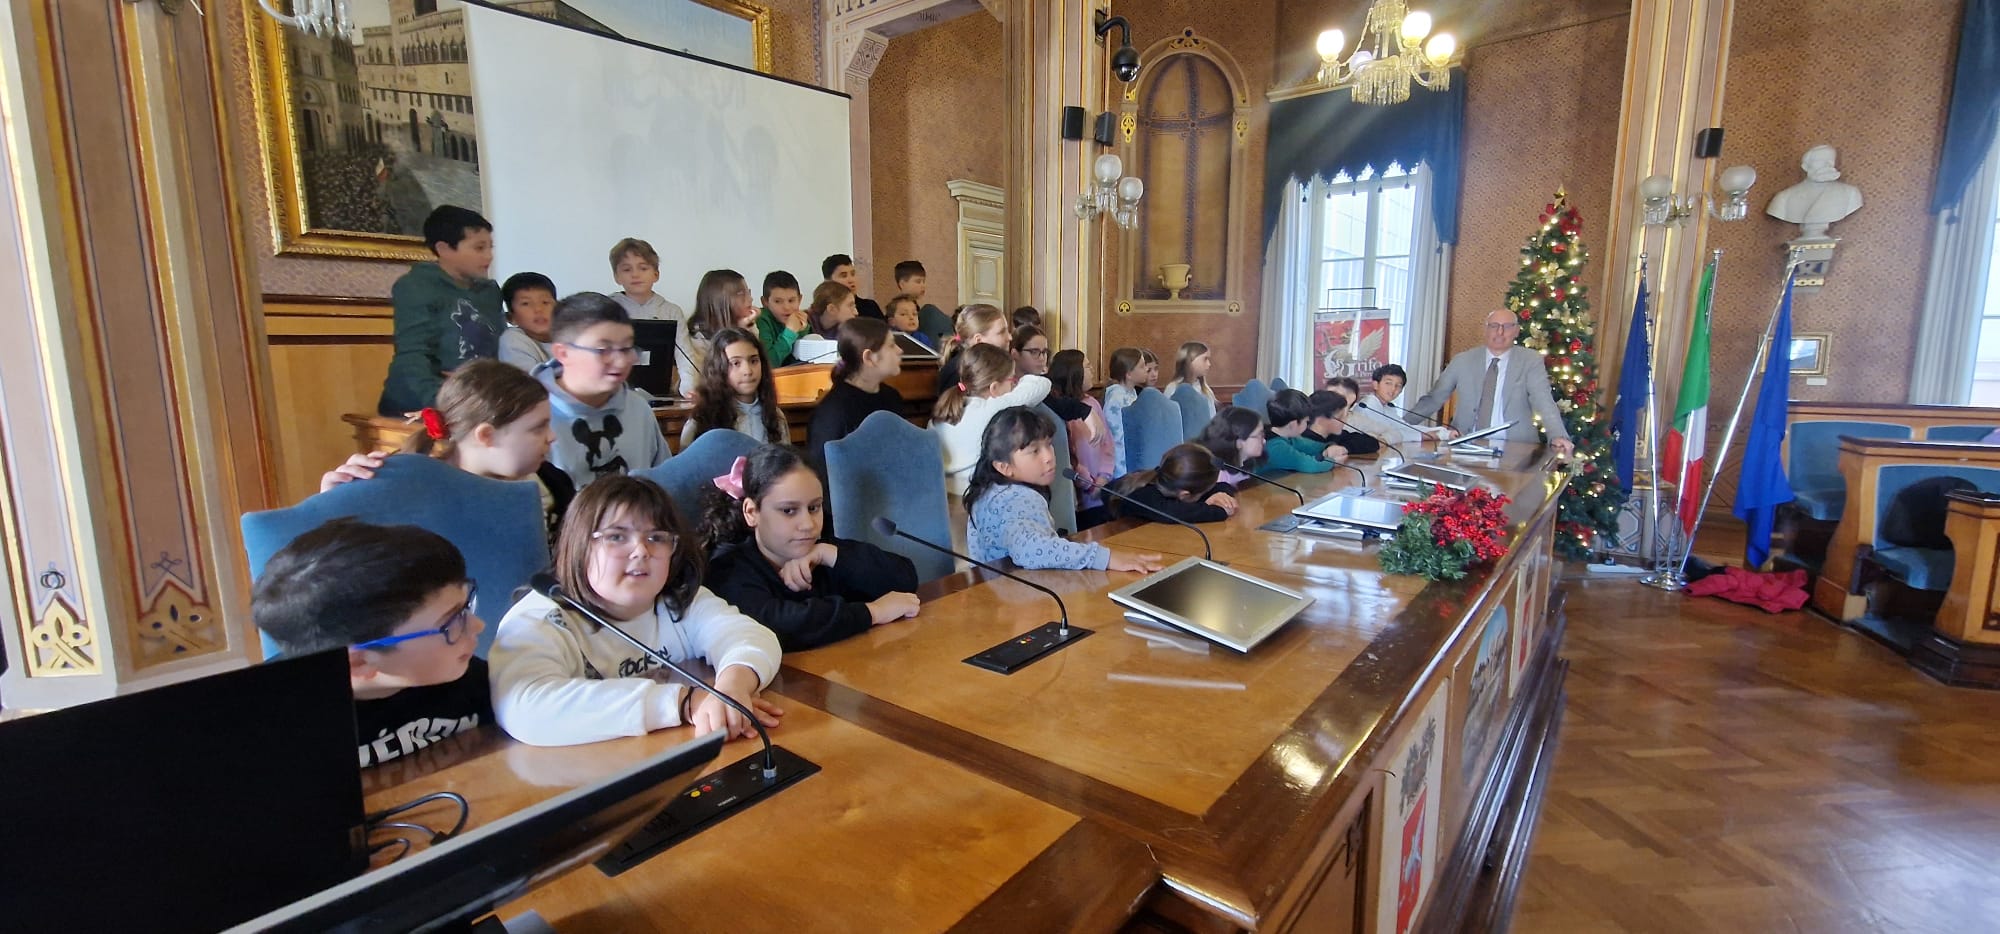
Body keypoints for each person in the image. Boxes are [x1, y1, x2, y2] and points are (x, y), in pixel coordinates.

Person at [489, 476, 784, 747]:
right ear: (578, 545)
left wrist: (733, 688)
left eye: (656, 538)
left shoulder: (678, 600)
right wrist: (684, 702)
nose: (641, 551)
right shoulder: (538, 618)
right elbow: (526, 706)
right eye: (617, 537)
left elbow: (752, 636)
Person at [251, 518, 490, 769]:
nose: (478, 625)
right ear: (359, 661)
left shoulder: (469, 679)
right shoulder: (274, 730)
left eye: (466, 606)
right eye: (452, 621)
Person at [324, 360, 569, 547]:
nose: (552, 437)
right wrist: (332, 508)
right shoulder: (411, 493)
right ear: (486, 435)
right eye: (538, 428)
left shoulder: (554, 484)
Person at [700, 446, 921, 651]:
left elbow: (904, 579)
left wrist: (828, 554)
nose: (808, 524)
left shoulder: (820, 550)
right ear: (751, 512)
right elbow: (777, 626)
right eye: (788, 511)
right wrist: (873, 612)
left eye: (814, 507)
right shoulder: (728, 569)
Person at [964, 407, 1162, 572]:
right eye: (1034, 451)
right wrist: (1105, 558)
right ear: (1004, 467)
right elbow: (1031, 550)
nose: (1049, 457)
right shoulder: (1017, 498)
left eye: (1048, 445)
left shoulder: (987, 491)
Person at [378, 205, 503, 416]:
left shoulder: (490, 291)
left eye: (491, 247)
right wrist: (442, 402)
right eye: (479, 248)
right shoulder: (416, 286)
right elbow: (413, 354)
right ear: (444, 249)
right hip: (422, 403)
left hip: (475, 399)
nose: (489, 256)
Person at [540, 292, 672, 488]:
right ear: (563, 353)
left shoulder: (638, 408)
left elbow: (664, 483)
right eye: (603, 350)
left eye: (627, 348)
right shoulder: (532, 417)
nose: (621, 361)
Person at [1409, 310, 1575, 457]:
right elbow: (1434, 399)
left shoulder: (1530, 361)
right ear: (1486, 330)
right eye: (1494, 326)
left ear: (1516, 331)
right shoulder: (1463, 360)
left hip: (1516, 448)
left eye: (1507, 326)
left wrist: (1558, 435)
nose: (1500, 332)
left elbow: (1543, 400)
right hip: (1465, 445)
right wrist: (1399, 426)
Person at [931, 344, 1052, 496]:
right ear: (994, 388)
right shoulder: (992, 408)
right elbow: (1041, 384)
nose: (1015, 385)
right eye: (1013, 380)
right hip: (976, 499)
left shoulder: (942, 414)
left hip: (944, 499)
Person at [804, 318, 905, 467]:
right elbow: (823, 473)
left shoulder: (892, 397)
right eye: (891, 345)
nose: (900, 350)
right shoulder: (833, 412)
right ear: (869, 357)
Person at [608, 238, 697, 397]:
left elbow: (686, 358)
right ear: (617, 276)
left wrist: (689, 389)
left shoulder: (671, 311)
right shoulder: (607, 309)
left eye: (643, 268)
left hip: (661, 393)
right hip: (616, 392)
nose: (635, 274)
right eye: (627, 269)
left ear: (656, 274)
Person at [683, 327, 785, 447]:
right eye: (736, 363)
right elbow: (686, 464)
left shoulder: (775, 415)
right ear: (719, 368)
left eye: (754, 361)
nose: (747, 371)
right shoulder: (701, 418)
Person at [1047, 350, 1114, 529]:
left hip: (1099, 492)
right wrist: (1083, 479)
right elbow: (1065, 451)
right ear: (1073, 372)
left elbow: (1107, 445)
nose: (1092, 369)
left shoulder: (1092, 403)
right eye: (1087, 366)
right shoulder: (1060, 408)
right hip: (1076, 496)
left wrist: (1104, 476)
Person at [1109, 443, 1239, 523]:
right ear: (1184, 494)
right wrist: (1220, 511)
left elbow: (1223, 486)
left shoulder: (1170, 481)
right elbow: (1171, 513)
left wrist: (1222, 496)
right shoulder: (1144, 494)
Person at [687, 269, 760, 391]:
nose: (750, 299)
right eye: (742, 294)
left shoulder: (748, 325)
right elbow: (708, 376)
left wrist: (745, 330)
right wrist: (737, 332)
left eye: (749, 292)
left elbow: (757, 361)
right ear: (721, 301)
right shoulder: (699, 338)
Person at [936, 304, 1011, 395]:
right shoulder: (958, 372)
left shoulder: (984, 365)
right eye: (1002, 332)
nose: (1010, 337)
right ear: (979, 340)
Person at [1262, 389, 1338, 474]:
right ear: (1293, 424)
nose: (1308, 424)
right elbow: (1311, 465)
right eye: (1306, 421)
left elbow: (1312, 447)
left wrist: (1329, 447)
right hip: (1258, 486)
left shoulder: (1289, 437)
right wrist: (1333, 461)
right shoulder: (1276, 447)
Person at [497, 272, 557, 373]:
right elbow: (529, 383)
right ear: (511, 318)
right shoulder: (512, 340)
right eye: (526, 304)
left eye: (545, 302)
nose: (538, 309)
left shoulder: (571, 334)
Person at [1103, 347, 1148, 475]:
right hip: (1122, 461)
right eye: (1142, 366)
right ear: (1128, 374)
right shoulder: (1116, 398)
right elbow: (1116, 436)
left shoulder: (1132, 392)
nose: (1147, 369)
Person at [1196, 406, 1269, 486]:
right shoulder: (1218, 477)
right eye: (1258, 436)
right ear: (1238, 442)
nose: (1264, 441)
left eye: (1263, 434)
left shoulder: (1249, 463)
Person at [755, 270, 812, 366]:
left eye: (791, 300)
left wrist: (803, 331)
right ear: (765, 302)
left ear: (800, 299)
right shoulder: (761, 320)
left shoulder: (801, 319)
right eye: (778, 301)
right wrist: (789, 333)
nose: (786, 307)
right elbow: (768, 364)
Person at [1302, 389, 1377, 458]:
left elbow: (1372, 443)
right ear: (1321, 419)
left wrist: (1344, 448)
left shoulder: (1334, 436)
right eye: (1340, 417)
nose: (1344, 421)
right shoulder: (1301, 441)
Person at [893, 260, 954, 344]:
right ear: (902, 284)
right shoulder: (894, 309)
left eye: (924, 281)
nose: (923, 285)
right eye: (918, 281)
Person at [824, 254, 883, 320]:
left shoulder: (870, 307)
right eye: (844, 276)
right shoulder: (823, 311)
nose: (851, 280)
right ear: (828, 281)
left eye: (853, 274)